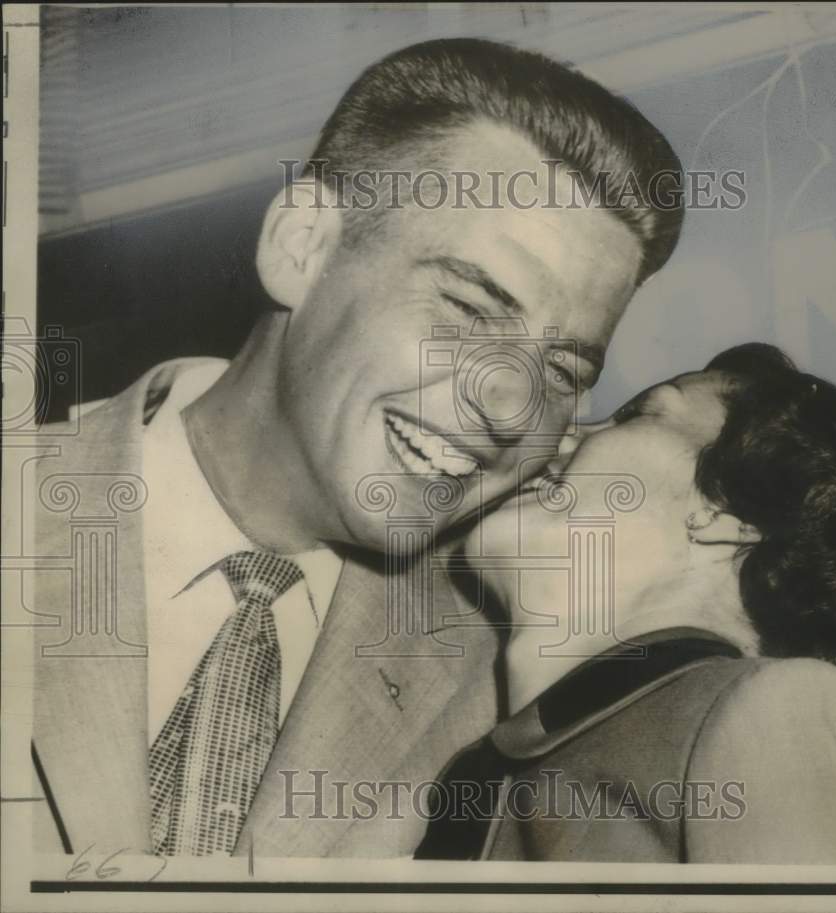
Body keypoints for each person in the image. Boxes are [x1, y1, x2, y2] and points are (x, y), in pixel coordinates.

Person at [30, 38, 683, 857]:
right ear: (301, 246)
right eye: (471, 308)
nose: (513, 405)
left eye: (563, 367)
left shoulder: (501, 687)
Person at [417, 343, 836, 864]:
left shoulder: (782, 713)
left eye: (637, 414)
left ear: (726, 516)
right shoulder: (487, 772)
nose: (567, 433)